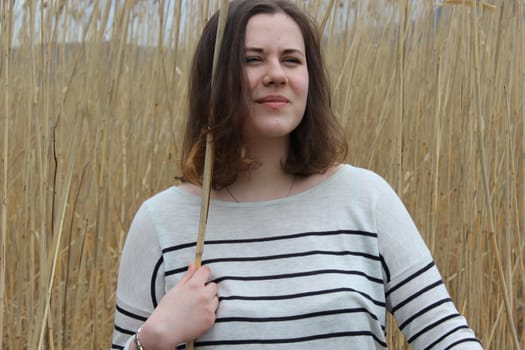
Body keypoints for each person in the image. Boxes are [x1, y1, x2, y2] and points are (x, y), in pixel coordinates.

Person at [111, 0, 483, 349]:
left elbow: (446, 335)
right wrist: (153, 339)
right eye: (252, 59)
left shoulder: (366, 200)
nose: (276, 74)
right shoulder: (161, 224)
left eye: (291, 60)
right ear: (215, 79)